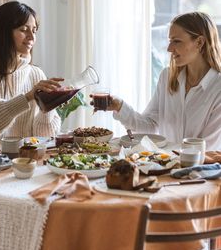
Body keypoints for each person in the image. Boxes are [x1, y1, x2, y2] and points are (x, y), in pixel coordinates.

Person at [93, 12, 221, 150]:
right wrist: (120, 107)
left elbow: (206, 149)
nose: (169, 48)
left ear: (199, 42)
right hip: (166, 165)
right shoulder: (167, 77)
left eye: (176, 41)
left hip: (201, 170)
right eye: (170, 41)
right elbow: (150, 127)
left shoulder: (217, 88)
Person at [0, 1, 63, 145]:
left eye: (34, 30)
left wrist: (48, 105)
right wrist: (28, 97)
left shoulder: (36, 74)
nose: (32, 38)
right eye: (24, 29)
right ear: (3, 31)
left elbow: (45, 136)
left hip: (26, 162)